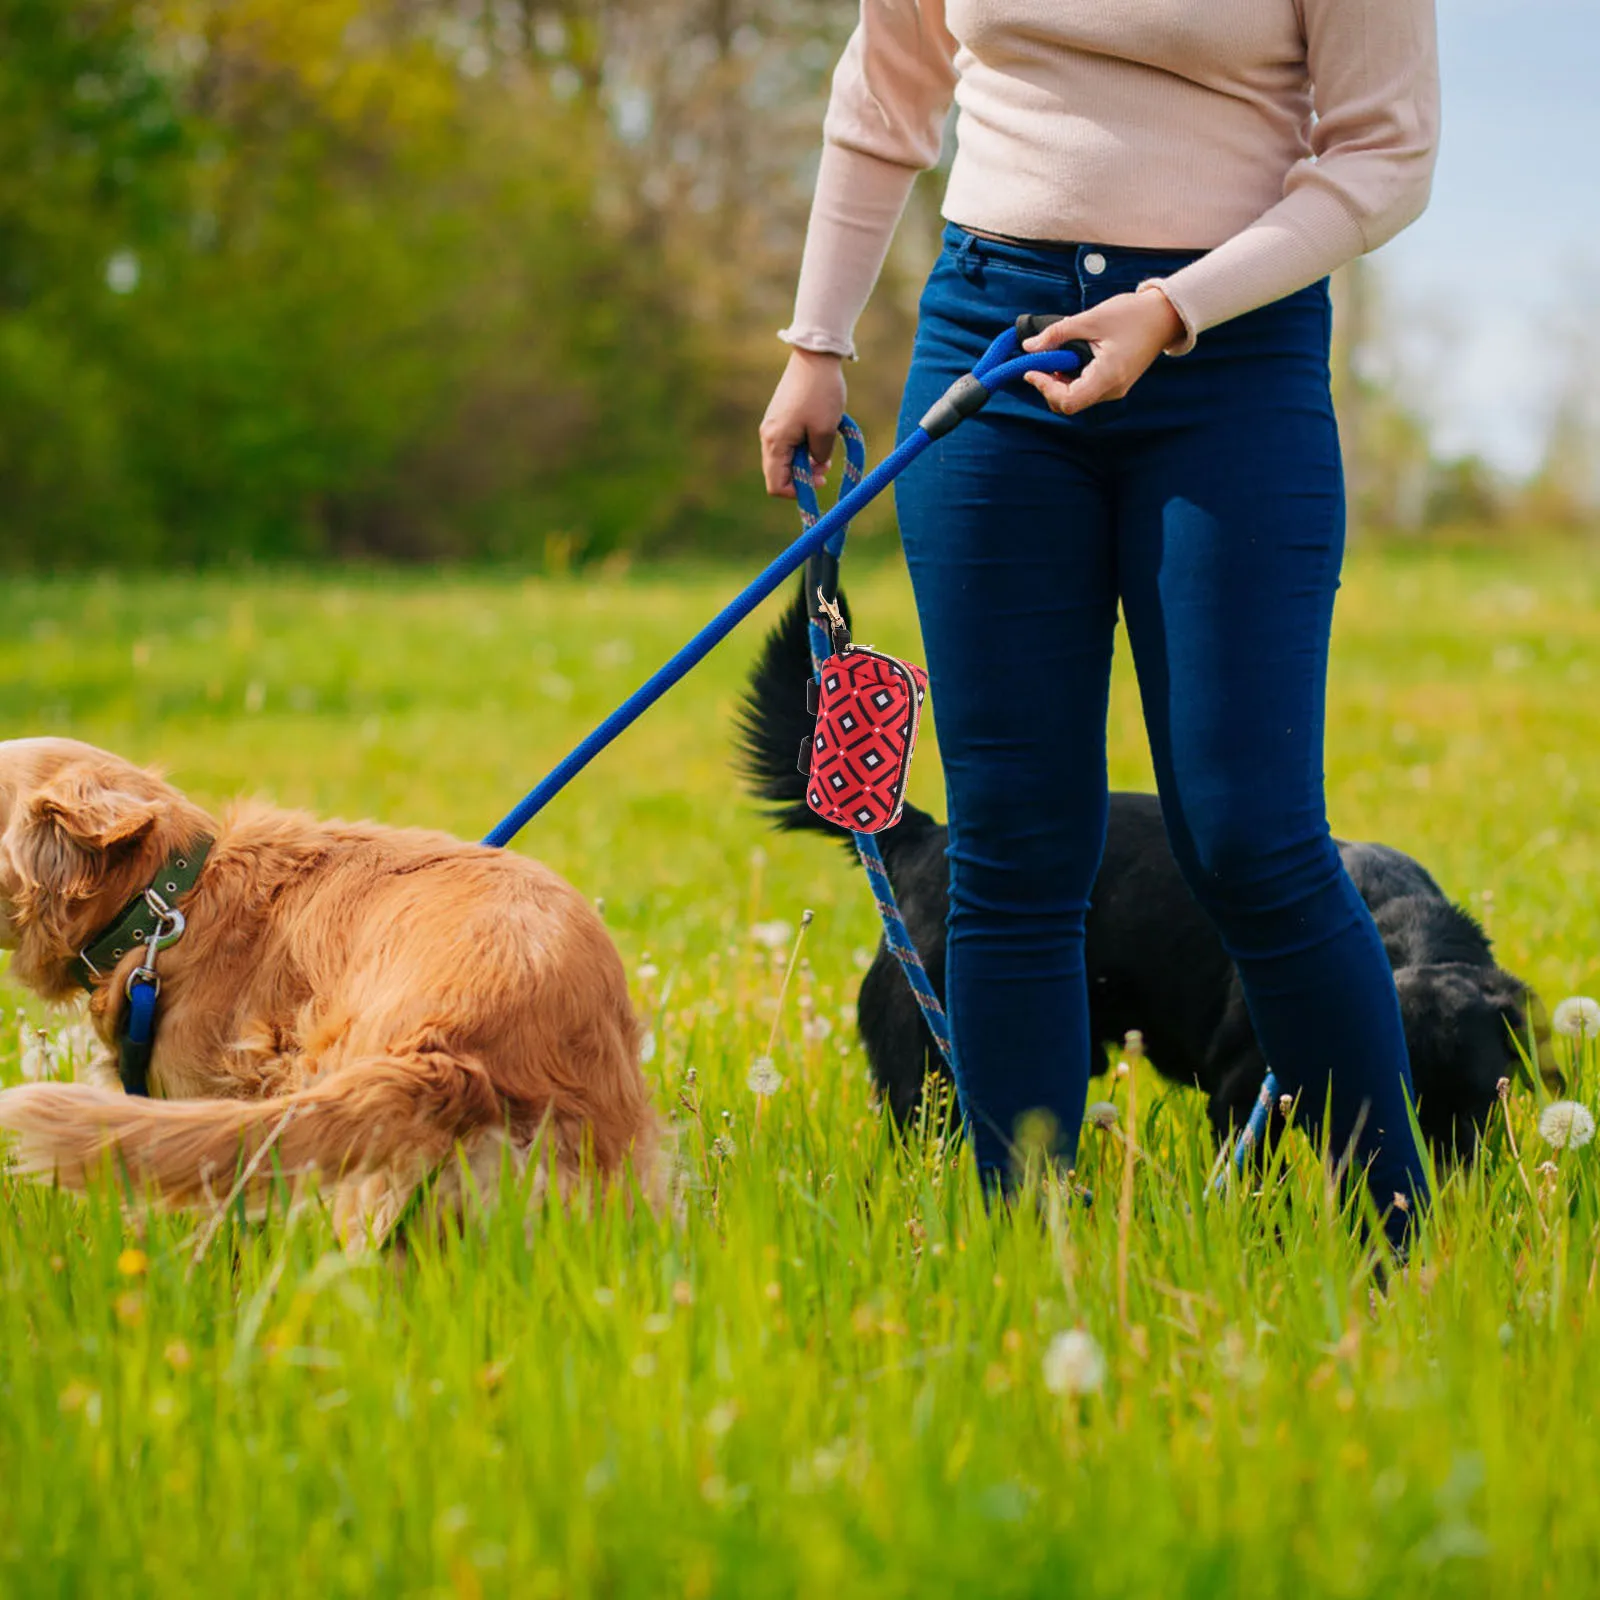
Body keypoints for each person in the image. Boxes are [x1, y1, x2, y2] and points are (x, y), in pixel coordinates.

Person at [758, 0, 1440, 1245]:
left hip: (1231, 359)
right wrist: (817, 341)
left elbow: (1383, 154)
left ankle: (1393, 1255)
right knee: (1012, 852)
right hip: (990, 339)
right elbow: (886, 90)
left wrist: (1176, 308)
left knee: (1255, 842)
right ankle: (1032, 1269)